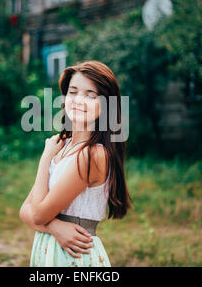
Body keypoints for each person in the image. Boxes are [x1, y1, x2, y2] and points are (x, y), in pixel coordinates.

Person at [19, 60, 132, 266]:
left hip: (74, 257)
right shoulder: (62, 146)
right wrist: (54, 227)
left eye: (91, 95)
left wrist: (45, 159)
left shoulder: (92, 155)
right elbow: (25, 210)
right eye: (73, 92)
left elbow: (37, 215)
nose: (79, 100)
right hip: (49, 251)